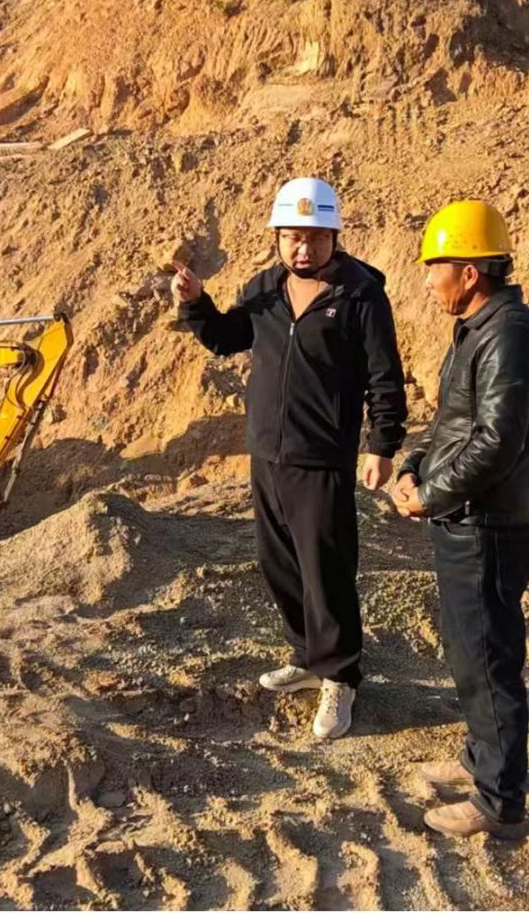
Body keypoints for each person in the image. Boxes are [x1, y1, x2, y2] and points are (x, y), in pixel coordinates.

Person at [173, 177, 407, 739]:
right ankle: (306, 657)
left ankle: (340, 676)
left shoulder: (360, 295)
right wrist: (197, 303)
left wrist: (381, 445)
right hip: (267, 452)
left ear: (334, 237)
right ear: (278, 237)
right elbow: (227, 338)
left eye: (315, 237)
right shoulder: (265, 288)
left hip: (322, 455)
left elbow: (384, 375)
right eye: (293, 237)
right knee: (278, 562)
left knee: (326, 570)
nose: (304, 249)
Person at [392, 200, 529, 838]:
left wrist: (429, 495)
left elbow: (495, 444)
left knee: (488, 662)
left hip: (485, 527)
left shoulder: (509, 336)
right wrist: (414, 466)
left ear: (469, 271)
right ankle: (484, 761)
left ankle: (498, 800)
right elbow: (453, 424)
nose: (428, 282)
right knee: (471, 654)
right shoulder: (480, 329)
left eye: (435, 268)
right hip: (464, 519)